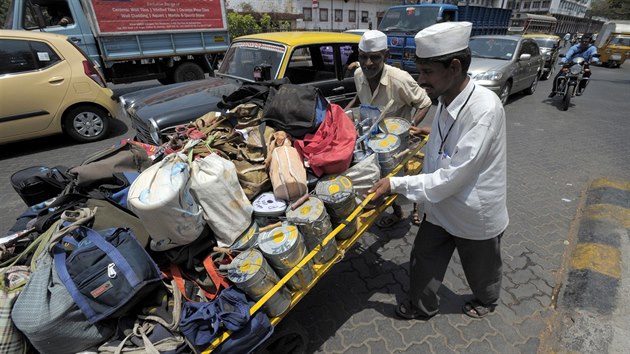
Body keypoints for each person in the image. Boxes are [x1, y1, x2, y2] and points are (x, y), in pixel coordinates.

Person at [367, 21, 508, 320]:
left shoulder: (485, 108)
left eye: (427, 72)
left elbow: (454, 175)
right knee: (423, 258)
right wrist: (430, 131)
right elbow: (452, 141)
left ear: (454, 67)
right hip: (440, 205)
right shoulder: (446, 97)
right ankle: (422, 305)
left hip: (473, 211)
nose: (422, 80)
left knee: (482, 269)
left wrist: (395, 184)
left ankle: (487, 300)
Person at [344, 30, 432, 228]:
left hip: (398, 142)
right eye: (363, 57)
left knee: (407, 175)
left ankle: (417, 206)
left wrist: (411, 126)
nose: (368, 63)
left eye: (374, 57)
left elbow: (425, 102)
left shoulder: (400, 79)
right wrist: (343, 112)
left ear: (386, 55)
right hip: (371, 139)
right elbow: (360, 95)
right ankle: (398, 212)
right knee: (380, 179)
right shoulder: (359, 74)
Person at [548, 33, 599, 98]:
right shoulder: (575, 47)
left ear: (589, 42)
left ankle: (580, 88)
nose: (584, 43)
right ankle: (554, 90)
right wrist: (563, 60)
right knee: (559, 76)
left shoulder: (592, 48)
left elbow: (594, 54)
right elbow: (568, 54)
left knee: (587, 73)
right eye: (583, 41)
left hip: (583, 65)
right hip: (570, 64)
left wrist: (594, 60)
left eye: (586, 42)